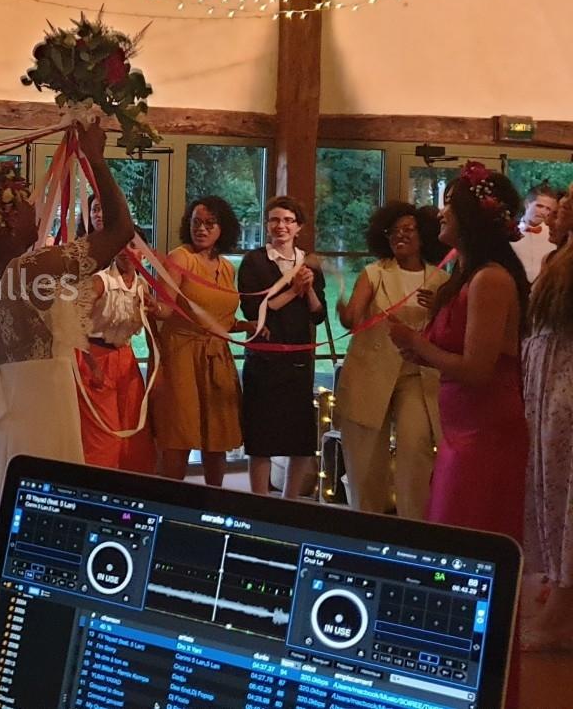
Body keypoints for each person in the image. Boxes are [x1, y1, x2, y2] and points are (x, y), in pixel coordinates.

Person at [0, 121, 134, 709]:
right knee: (43, 544)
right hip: (37, 420)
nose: (37, 212)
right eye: (27, 205)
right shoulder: (34, 272)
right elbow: (120, 230)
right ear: (4, 219)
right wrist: (95, 160)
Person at [389, 162, 527, 708]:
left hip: (486, 442)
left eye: (448, 202)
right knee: (451, 558)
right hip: (462, 435)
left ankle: (487, 691)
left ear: (469, 214)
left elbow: (475, 366)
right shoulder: (468, 275)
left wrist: (415, 345)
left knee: (473, 564)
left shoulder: (492, 279)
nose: (439, 211)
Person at [336, 202, 448, 518]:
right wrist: (347, 312)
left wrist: (439, 306)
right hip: (370, 376)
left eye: (408, 229)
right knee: (365, 462)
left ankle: (413, 532)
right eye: (393, 231)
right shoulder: (375, 273)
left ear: (424, 236)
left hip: (417, 378)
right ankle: (368, 530)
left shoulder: (439, 279)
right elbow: (355, 319)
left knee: (416, 453)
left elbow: (448, 329)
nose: (400, 235)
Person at [152, 196, 258, 485]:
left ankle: (213, 502)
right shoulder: (180, 258)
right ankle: (171, 502)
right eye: (196, 222)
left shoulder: (226, 267)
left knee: (217, 435)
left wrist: (245, 325)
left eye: (210, 223)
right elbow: (164, 308)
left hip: (216, 357)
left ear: (223, 228)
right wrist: (144, 301)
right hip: (181, 355)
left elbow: (219, 317)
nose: (201, 228)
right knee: (179, 433)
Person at [238, 196, 326, 499]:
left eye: (288, 220)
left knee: (300, 438)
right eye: (275, 219)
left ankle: (289, 502)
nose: (281, 226)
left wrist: (309, 288)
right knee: (260, 438)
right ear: (267, 225)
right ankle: (259, 501)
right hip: (263, 359)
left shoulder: (308, 262)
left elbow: (318, 313)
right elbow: (255, 311)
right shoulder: (254, 261)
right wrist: (294, 291)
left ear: (298, 227)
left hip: (299, 361)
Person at [520, 181, 573, 651]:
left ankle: (563, 610)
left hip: (568, 390)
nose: (553, 216)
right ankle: (557, 585)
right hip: (551, 387)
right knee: (551, 491)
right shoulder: (558, 259)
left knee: (566, 496)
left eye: (564, 210)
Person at [77, 199, 155, 473]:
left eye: (134, 245)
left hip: (126, 359)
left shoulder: (143, 286)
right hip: (93, 357)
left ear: (145, 252)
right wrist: (91, 364)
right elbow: (72, 323)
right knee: (102, 435)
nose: (128, 251)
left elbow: (162, 318)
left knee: (133, 431)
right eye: (122, 245)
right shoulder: (100, 280)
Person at [512, 182, 560, 283]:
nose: (543, 212)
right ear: (526, 204)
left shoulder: (555, 237)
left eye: (548, 209)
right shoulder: (510, 232)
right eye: (539, 206)